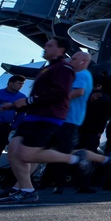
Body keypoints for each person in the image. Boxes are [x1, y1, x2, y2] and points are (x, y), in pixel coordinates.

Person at [0, 38, 111, 203]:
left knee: (33, 153)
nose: (45, 47)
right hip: (42, 115)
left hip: (61, 119)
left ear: (83, 61)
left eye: (50, 45)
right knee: (18, 151)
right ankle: (22, 187)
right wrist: (19, 105)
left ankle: (91, 159)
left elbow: (66, 93)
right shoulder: (54, 68)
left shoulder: (72, 71)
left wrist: (30, 101)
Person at [45, 51, 94, 194]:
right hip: (61, 119)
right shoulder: (76, 75)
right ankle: (48, 182)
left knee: (64, 153)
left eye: (73, 59)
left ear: (83, 61)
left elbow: (79, 91)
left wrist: (54, 98)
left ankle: (62, 184)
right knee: (52, 151)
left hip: (69, 120)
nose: (70, 61)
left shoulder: (82, 74)